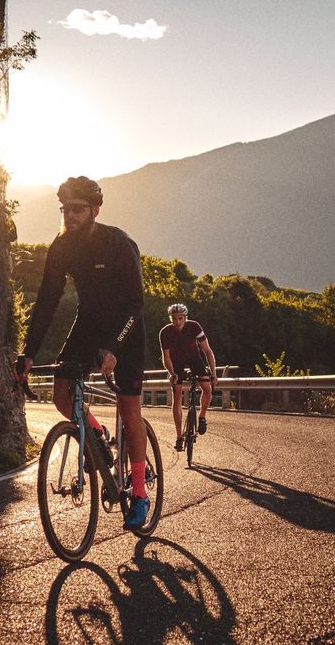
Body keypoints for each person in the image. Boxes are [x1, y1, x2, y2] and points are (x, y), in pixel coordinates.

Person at [15, 176, 150, 528]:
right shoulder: (62, 246)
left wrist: (114, 348)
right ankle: (97, 435)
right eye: (65, 209)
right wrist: (29, 352)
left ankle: (139, 492)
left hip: (126, 329)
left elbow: (136, 305)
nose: (69, 215)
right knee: (63, 396)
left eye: (77, 209)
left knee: (129, 408)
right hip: (88, 324)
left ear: (94, 210)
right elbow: (47, 300)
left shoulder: (118, 243)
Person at [159, 303, 219, 451]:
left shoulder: (194, 327)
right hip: (176, 362)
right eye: (174, 318)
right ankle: (179, 436)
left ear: (185, 317)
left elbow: (207, 350)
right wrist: (172, 374)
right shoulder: (165, 332)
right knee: (177, 393)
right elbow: (166, 357)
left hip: (194, 358)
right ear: (171, 318)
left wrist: (214, 373)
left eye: (180, 318)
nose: (177, 322)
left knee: (207, 387)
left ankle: (202, 417)